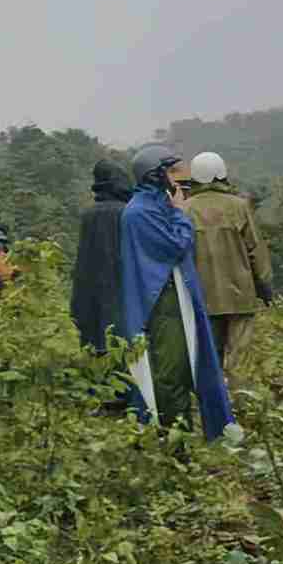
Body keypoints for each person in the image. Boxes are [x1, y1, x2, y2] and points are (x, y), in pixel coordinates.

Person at [117, 144, 232, 439]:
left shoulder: (156, 206)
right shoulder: (140, 213)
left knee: (186, 367)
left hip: (174, 297)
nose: (177, 178)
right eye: (170, 171)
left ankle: (183, 435)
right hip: (161, 302)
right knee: (172, 373)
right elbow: (176, 246)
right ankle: (174, 443)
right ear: (155, 175)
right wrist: (181, 213)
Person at [184, 152, 274, 384]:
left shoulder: (185, 209)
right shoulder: (240, 206)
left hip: (203, 298)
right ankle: (240, 403)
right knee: (239, 360)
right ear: (222, 174)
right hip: (240, 296)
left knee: (208, 357)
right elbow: (256, 250)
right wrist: (264, 286)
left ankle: (212, 407)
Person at [68, 159, 134, 354]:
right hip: (121, 291)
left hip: (90, 293)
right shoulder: (127, 212)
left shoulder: (88, 214)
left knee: (97, 349)